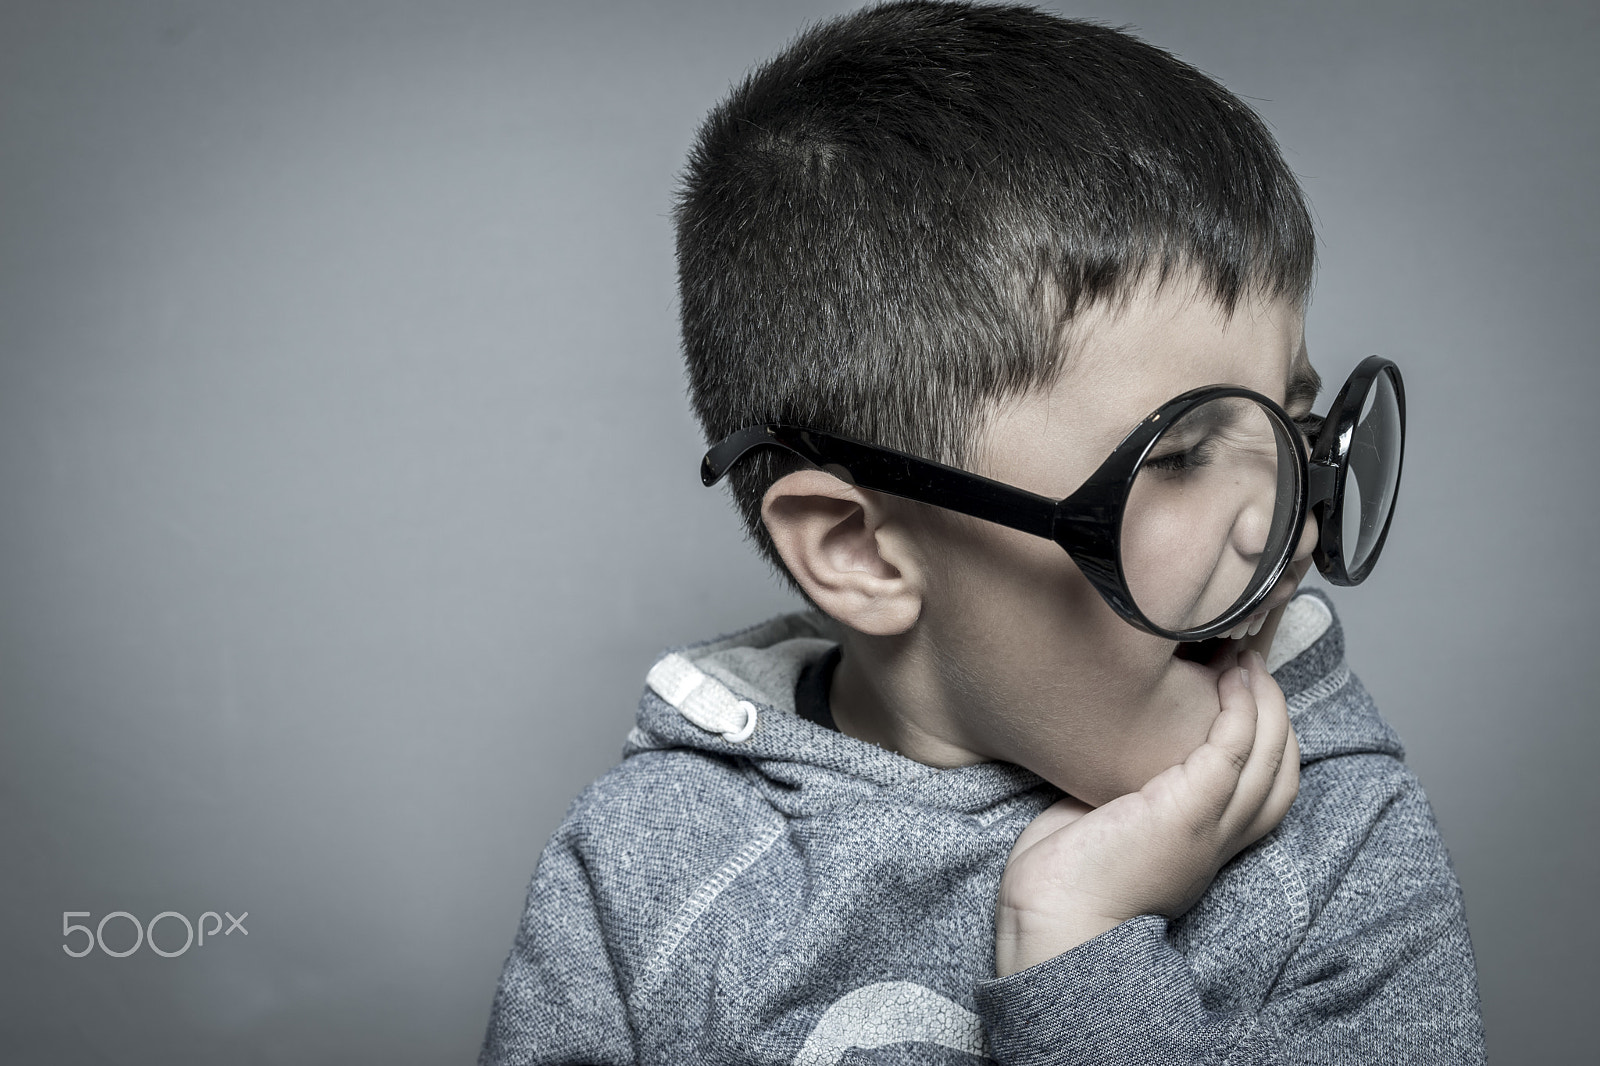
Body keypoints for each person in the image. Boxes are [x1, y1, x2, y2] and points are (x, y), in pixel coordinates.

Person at [478, 2, 1485, 1062]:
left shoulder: (1339, 847)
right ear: (859, 550)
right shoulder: (645, 876)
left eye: (1289, 424)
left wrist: (1078, 956)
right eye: (1180, 456)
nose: (1281, 528)